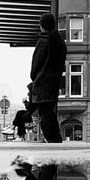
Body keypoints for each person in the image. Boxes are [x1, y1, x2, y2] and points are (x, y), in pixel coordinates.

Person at [29, 13, 67, 144]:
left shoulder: (43, 41)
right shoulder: (60, 42)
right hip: (54, 82)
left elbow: (36, 64)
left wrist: (34, 77)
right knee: (49, 112)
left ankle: (51, 139)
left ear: (42, 26)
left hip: (43, 81)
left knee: (44, 114)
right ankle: (56, 138)